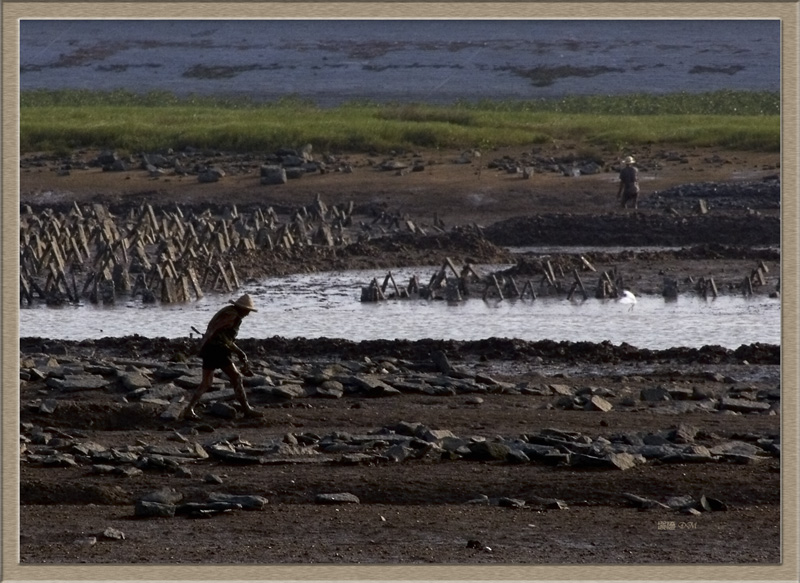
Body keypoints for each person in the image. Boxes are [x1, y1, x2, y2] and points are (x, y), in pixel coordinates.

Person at [183, 293, 260, 419]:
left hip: (208, 348)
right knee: (236, 377)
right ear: (242, 308)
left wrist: (239, 352)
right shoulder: (233, 316)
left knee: (206, 382)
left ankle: (189, 409)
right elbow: (224, 339)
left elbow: (217, 333)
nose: (248, 314)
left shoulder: (227, 312)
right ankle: (246, 409)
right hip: (218, 349)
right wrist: (239, 352)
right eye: (247, 311)